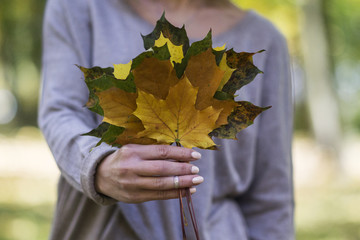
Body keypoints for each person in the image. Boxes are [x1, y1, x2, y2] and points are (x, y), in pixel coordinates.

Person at [39, 0, 294, 239]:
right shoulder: (78, 7)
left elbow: (272, 196)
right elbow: (60, 111)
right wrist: (98, 168)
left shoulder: (265, 39)